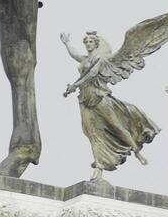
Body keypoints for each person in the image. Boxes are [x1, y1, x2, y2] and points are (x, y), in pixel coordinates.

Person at [62, 30, 160, 180]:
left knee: (116, 126)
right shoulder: (85, 59)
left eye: (90, 42)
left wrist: (74, 85)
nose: (88, 44)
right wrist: (67, 43)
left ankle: (136, 151)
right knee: (92, 133)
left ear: (96, 43)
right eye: (86, 42)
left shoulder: (101, 59)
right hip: (85, 100)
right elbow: (74, 55)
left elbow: (91, 74)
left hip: (99, 97)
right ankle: (99, 167)